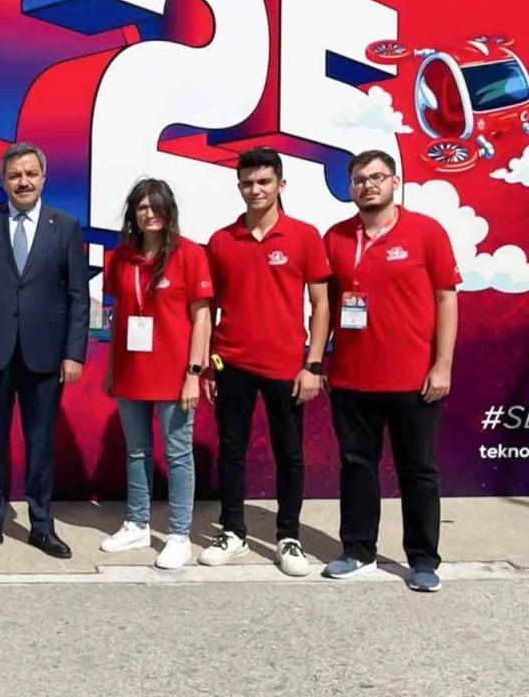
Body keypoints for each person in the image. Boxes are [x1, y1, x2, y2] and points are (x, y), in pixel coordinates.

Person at [322, 150, 458, 593]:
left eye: (377, 177)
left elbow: (446, 298)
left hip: (413, 380)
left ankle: (422, 560)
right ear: (351, 187)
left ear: (394, 182)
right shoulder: (335, 237)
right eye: (359, 179)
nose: (368, 185)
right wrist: (317, 361)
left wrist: (442, 365)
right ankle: (358, 550)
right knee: (356, 467)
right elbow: (325, 304)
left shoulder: (426, 232)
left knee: (418, 471)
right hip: (351, 378)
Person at [0, 142, 89, 558]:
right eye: (15, 175)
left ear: (43, 178)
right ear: (3, 181)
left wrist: (74, 353)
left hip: (45, 355)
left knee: (40, 445)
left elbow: (78, 297)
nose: (23, 182)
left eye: (31, 174)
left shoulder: (65, 226)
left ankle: (42, 527)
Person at [200, 148, 331, 577]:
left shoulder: (305, 236)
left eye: (263, 182)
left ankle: (288, 537)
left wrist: (313, 364)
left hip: (287, 366)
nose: (255, 190)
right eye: (247, 183)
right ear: (238, 186)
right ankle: (233, 531)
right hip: (231, 363)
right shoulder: (221, 240)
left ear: (280, 185)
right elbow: (209, 309)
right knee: (231, 452)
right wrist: (208, 364)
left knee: (289, 455)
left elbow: (321, 303)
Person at [100, 178, 212, 570]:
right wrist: (111, 369)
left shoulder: (189, 253)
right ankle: (137, 523)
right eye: (141, 207)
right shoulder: (121, 257)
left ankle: (179, 535)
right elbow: (118, 315)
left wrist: (194, 373)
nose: (148, 214)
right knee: (136, 450)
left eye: (155, 206)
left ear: (168, 209)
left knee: (178, 453)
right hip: (131, 370)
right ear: (133, 213)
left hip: (174, 372)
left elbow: (202, 318)